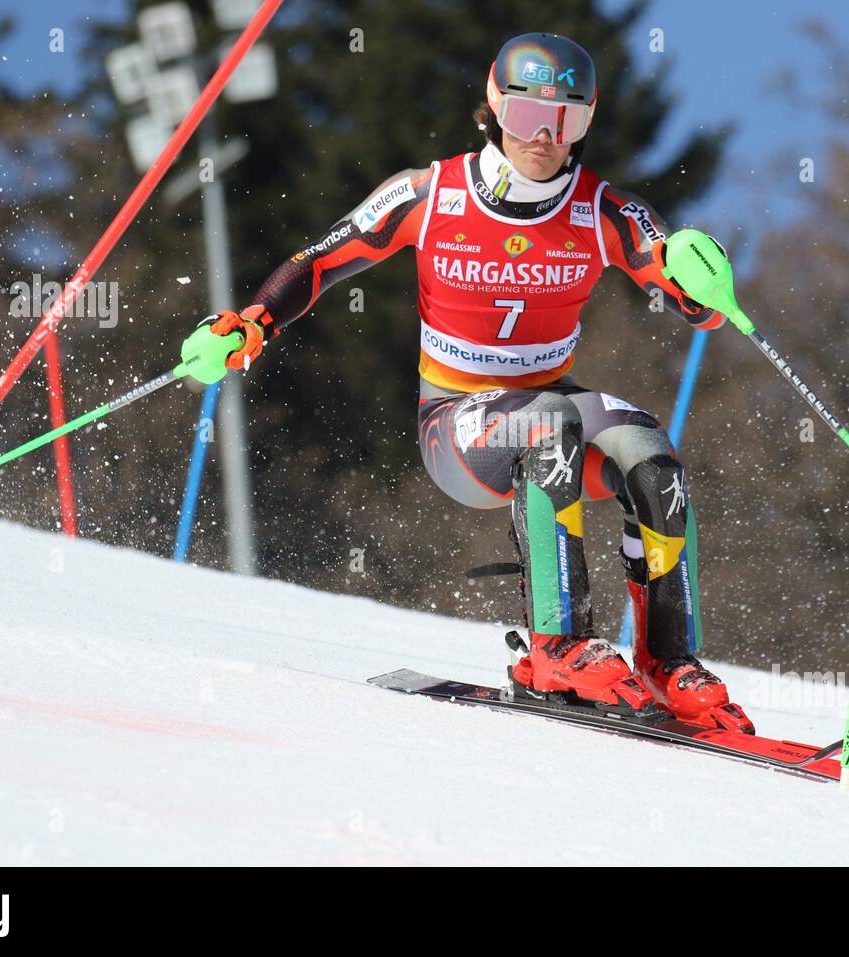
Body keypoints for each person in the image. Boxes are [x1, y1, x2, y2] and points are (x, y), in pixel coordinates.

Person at [194, 33, 753, 732]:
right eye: (526, 117)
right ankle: (555, 646)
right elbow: (321, 260)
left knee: (649, 449)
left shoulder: (601, 210)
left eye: (566, 120)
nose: (544, 137)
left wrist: (700, 277)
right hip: (456, 426)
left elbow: (684, 294)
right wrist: (255, 321)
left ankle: (667, 661)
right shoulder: (430, 194)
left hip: (552, 411)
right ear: (494, 107)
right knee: (550, 420)